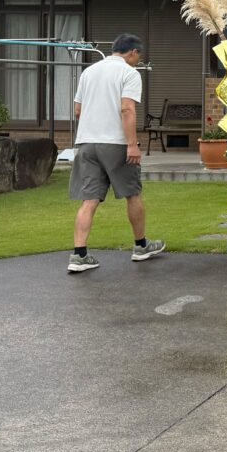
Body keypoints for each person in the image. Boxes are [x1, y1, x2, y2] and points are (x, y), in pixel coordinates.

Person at [67, 34, 165, 273]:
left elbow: (78, 110)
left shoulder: (89, 72)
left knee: (89, 200)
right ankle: (141, 246)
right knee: (132, 194)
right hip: (116, 144)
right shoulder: (129, 73)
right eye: (138, 56)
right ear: (132, 52)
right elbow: (127, 109)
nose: (138, 60)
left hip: (87, 143)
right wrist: (132, 144)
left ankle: (79, 255)